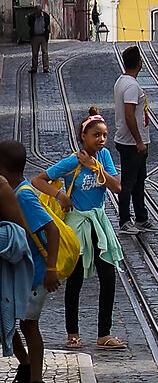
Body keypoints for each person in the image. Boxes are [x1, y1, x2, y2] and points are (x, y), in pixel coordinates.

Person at [36, 112, 122, 351]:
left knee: (108, 276)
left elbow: (117, 187)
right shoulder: (72, 161)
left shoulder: (104, 157)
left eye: (105, 135)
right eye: (96, 135)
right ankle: (72, 333)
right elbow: (38, 180)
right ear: (83, 137)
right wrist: (60, 195)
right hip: (77, 225)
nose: (102, 140)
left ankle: (104, 333)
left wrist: (95, 168)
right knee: (74, 280)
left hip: (99, 222)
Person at [0, 140, 67, 383]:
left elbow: (52, 230)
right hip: (22, 271)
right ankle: (26, 367)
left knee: (29, 326)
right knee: (8, 320)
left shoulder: (23, 195)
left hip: (36, 272)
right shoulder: (13, 190)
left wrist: (51, 269)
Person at [113, 46, 152, 234]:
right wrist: (139, 141)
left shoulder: (123, 81)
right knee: (129, 182)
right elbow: (129, 115)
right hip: (130, 143)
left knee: (139, 180)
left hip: (131, 141)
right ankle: (124, 220)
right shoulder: (131, 86)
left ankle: (141, 217)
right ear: (139, 63)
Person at [26, 3, 50, 74]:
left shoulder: (45, 16)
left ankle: (45, 67)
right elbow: (29, 24)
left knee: (44, 52)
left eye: (39, 11)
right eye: (37, 11)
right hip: (35, 36)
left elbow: (47, 24)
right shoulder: (32, 17)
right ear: (35, 11)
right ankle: (34, 67)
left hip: (43, 36)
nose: (38, 13)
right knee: (34, 52)